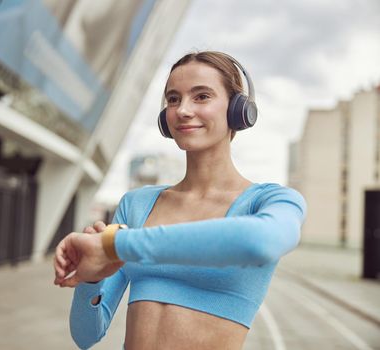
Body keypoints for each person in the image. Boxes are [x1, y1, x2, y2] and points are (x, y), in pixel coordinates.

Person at [53, 51, 306, 350]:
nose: (183, 110)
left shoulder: (270, 201)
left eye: (201, 96)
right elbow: (85, 336)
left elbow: (259, 241)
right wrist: (91, 281)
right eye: (173, 99)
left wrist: (115, 244)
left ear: (238, 109)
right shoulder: (136, 204)